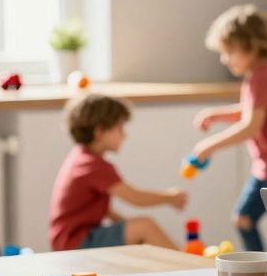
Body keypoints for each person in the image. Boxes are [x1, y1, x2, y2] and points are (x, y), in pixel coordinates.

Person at [194, 5, 267, 252]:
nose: (225, 59)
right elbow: (251, 111)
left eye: (229, 51)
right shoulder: (257, 76)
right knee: (243, 219)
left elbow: (250, 126)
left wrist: (208, 146)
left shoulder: (261, 77)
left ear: (251, 46)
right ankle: (258, 270)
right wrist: (216, 115)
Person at [48, 94, 187, 251]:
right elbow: (135, 198)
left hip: (71, 240)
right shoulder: (93, 165)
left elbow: (101, 209)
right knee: (145, 226)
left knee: (139, 229)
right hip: (76, 242)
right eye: (119, 128)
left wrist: (125, 225)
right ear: (99, 131)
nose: (124, 135)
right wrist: (170, 197)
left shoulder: (81, 158)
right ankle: (191, 267)